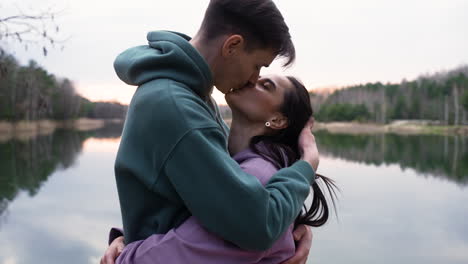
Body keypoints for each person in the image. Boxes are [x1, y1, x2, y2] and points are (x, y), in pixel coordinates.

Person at [104, 0, 319, 263]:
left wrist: (290, 231)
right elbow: (257, 226)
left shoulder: (194, 96)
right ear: (233, 46)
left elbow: (191, 199)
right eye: (257, 66)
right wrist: (306, 165)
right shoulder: (177, 106)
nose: (254, 78)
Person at [102, 75, 337, 264]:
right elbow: (192, 217)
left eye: (266, 85)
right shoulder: (230, 160)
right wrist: (124, 237)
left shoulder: (260, 173)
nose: (251, 78)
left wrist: (125, 256)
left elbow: (183, 254)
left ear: (277, 120)